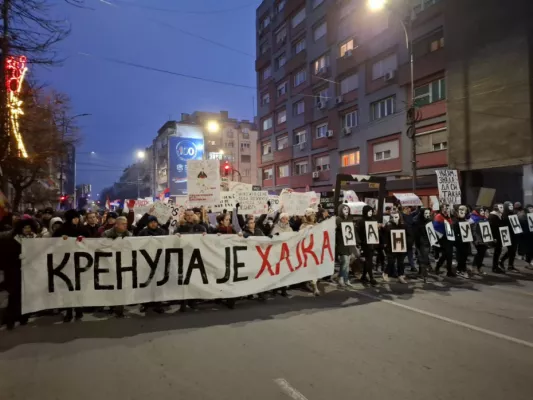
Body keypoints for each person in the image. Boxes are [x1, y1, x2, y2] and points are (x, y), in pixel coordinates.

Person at [1, 218, 39, 330]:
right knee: (14, 296)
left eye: (29, 228)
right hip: (14, 271)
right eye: (25, 228)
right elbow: (6, 257)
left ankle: (23, 317)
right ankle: (10, 319)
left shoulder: (34, 239)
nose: (27, 230)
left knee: (26, 295)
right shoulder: (12, 240)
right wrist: (17, 258)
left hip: (29, 271)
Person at [52, 209, 86, 321]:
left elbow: (91, 241)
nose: (77, 220)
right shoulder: (61, 231)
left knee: (78, 287)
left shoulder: (82, 229)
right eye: (75, 218)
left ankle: (78, 309)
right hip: (66, 263)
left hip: (80, 262)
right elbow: (53, 245)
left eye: (78, 217)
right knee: (68, 287)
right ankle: (69, 311)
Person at [356, 205, 378, 286]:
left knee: (368, 260)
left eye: (371, 211)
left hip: (371, 243)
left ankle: (364, 276)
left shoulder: (373, 220)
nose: (370, 213)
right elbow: (358, 232)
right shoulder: (361, 221)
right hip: (364, 244)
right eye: (369, 211)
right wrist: (359, 243)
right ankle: (371, 277)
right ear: (365, 212)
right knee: (369, 261)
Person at [335, 204, 357, 287]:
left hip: (349, 243)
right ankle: (341, 278)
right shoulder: (338, 219)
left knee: (347, 262)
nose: (346, 210)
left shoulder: (350, 219)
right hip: (341, 243)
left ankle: (346, 279)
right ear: (341, 210)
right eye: (344, 209)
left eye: (347, 209)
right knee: (345, 261)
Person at [383, 211, 408, 283]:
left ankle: (400, 276)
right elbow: (385, 236)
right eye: (392, 217)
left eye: (396, 217)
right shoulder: (388, 225)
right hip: (391, 247)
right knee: (391, 261)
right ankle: (385, 273)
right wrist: (385, 245)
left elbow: (408, 234)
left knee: (400, 262)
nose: (394, 219)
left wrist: (407, 243)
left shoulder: (403, 225)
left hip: (400, 246)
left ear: (400, 217)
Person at [433, 204, 456, 277]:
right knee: (448, 254)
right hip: (443, 239)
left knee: (446, 255)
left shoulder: (449, 217)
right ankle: (448, 271)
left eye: (447, 208)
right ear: (441, 209)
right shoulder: (438, 216)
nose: (446, 209)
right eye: (445, 208)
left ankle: (439, 268)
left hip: (449, 238)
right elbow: (436, 227)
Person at [413, 208, 433, 281]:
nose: (427, 215)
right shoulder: (417, 222)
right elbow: (415, 234)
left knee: (424, 258)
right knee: (422, 258)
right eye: (426, 213)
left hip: (427, 242)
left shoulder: (430, 221)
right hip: (420, 242)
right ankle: (424, 274)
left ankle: (423, 273)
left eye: (428, 213)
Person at [500, 201, 519, 272]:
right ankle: (507, 264)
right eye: (509, 206)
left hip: (514, 234)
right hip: (508, 235)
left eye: (512, 205)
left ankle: (508, 264)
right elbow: (503, 226)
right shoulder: (504, 215)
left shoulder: (513, 213)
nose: (511, 207)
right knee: (511, 251)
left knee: (513, 251)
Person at [453, 205, 471, 278]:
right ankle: (460, 270)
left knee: (464, 257)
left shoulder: (466, 221)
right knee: (461, 257)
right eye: (460, 210)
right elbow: (454, 233)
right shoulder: (455, 222)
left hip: (466, 242)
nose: (462, 212)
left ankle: (462, 269)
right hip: (460, 243)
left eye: (464, 210)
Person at [470, 207, 488, 275]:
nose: (483, 211)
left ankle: (479, 267)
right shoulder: (473, 219)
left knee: (482, 252)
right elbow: (473, 230)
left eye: (483, 210)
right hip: (477, 239)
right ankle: (474, 267)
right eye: (481, 210)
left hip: (483, 239)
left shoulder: (483, 218)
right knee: (479, 252)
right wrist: (476, 239)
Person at [488, 204, 506, 273]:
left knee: (498, 251)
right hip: (496, 236)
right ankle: (495, 267)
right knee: (497, 252)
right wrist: (494, 237)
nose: (502, 209)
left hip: (499, 235)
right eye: (500, 207)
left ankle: (496, 266)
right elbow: (493, 228)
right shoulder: (493, 216)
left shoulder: (499, 215)